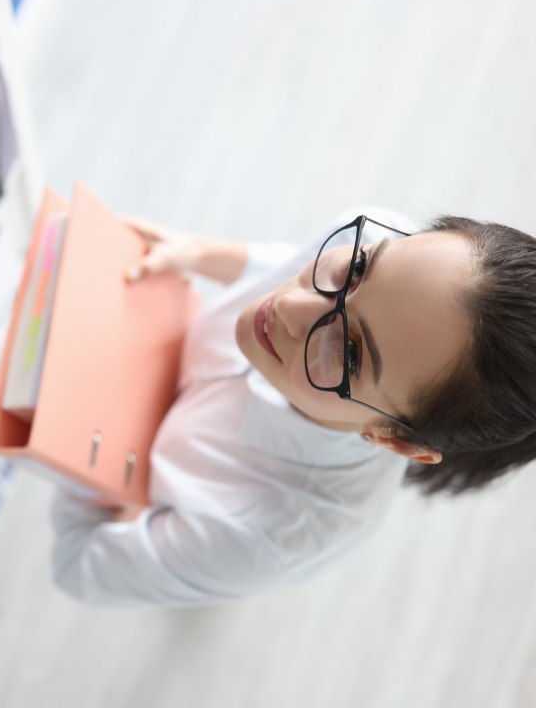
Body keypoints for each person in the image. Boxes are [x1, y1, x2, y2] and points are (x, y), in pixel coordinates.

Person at [50, 208, 536, 606]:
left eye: (349, 354)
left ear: (394, 438)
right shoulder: (376, 248)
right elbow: (287, 263)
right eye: (359, 269)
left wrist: (79, 434)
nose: (290, 306)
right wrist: (203, 254)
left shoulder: (259, 537)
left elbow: (78, 565)